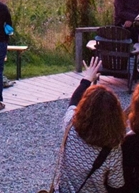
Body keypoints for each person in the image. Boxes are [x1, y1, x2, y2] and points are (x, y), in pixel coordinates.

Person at [54, 57, 126, 193]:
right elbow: (116, 186)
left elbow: (74, 101)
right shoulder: (113, 149)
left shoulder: (70, 125)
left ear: (84, 107)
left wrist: (87, 79)